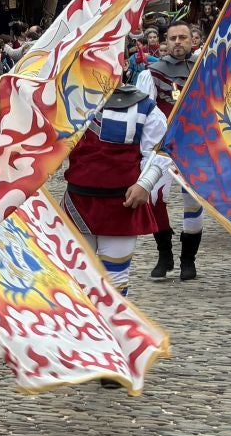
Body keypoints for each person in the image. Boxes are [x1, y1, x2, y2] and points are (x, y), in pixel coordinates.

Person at [62, 81, 171, 298]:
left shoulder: (145, 107)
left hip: (121, 205)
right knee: (76, 279)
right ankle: (85, 331)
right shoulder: (69, 101)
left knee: (115, 283)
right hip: (77, 203)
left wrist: (145, 184)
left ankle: (111, 330)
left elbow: (160, 150)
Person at [146, 23, 205, 281]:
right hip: (163, 147)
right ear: (165, 42)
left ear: (191, 41)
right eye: (173, 38)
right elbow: (144, 112)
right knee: (156, 199)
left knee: (194, 203)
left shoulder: (205, 70)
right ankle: (164, 254)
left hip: (196, 147)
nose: (178, 42)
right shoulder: (152, 74)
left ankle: (188, 260)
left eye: (183, 37)